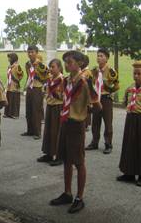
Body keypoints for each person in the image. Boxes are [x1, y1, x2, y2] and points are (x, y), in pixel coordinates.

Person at [50, 51, 101, 214]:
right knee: (66, 158)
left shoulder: (85, 82)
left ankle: (79, 197)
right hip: (65, 122)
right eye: (65, 62)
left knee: (78, 162)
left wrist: (84, 114)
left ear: (79, 63)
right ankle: (67, 193)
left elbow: (96, 104)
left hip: (77, 124)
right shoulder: (66, 81)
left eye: (70, 62)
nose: (67, 65)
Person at [86, 48, 119, 154]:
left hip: (106, 98)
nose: (99, 58)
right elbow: (91, 83)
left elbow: (117, 86)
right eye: (98, 55)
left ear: (107, 58)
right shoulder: (94, 70)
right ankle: (94, 142)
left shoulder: (111, 71)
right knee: (95, 121)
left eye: (102, 56)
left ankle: (108, 144)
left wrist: (109, 90)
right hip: (96, 98)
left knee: (108, 122)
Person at [117, 61, 141, 187]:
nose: (136, 76)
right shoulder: (131, 87)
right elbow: (124, 102)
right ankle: (129, 172)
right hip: (131, 118)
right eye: (134, 73)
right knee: (129, 145)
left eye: (139, 74)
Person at [37, 59, 64, 166]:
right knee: (48, 130)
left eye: (53, 67)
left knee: (56, 131)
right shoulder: (51, 78)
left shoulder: (61, 80)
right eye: (50, 67)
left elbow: (62, 95)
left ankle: (59, 155)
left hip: (58, 106)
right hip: (50, 105)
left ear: (59, 68)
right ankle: (48, 153)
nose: (51, 69)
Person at [22, 46, 49, 140]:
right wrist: (25, 87)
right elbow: (28, 76)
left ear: (37, 53)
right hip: (30, 87)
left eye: (32, 52)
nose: (30, 54)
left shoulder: (40, 65)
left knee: (36, 110)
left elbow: (46, 76)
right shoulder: (28, 64)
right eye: (28, 52)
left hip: (38, 88)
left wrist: (44, 88)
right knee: (28, 110)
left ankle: (37, 132)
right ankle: (30, 130)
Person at [3, 52, 23, 119]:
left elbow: (21, 75)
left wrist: (17, 80)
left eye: (9, 58)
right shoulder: (9, 66)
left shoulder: (17, 66)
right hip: (9, 85)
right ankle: (8, 113)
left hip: (14, 85)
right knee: (8, 98)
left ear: (13, 58)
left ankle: (14, 114)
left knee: (14, 100)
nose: (8, 59)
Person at [80, 55, 93, 132]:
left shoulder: (87, 72)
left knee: (86, 109)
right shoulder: (82, 71)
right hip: (83, 94)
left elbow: (81, 79)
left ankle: (85, 125)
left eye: (82, 61)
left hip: (87, 94)